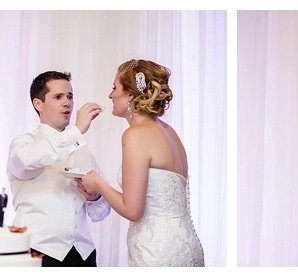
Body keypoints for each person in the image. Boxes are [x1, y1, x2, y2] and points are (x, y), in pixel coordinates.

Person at [78, 59, 205, 266]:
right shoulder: (170, 132)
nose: (110, 95)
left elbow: (133, 210)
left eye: (114, 87)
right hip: (187, 246)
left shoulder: (135, 135)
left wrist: (98, 183)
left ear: (129, 94)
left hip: (156, 251)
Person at [7, 70, 111, 267]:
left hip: (83, 255)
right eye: (58, 97)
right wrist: (77, 131)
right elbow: (29, 161)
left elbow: (101, 212)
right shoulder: (23, 144)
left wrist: (94, 197)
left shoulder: (83, 151)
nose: (67, 103)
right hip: (36, 252)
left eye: (70, 96)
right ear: (38, 104)